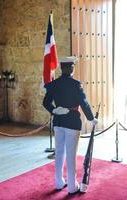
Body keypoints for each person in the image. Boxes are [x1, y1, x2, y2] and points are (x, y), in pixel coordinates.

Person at [43, 56, 98, 194]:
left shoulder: (53, 84)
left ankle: (58, 182)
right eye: (73, 66)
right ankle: (72, 187)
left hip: (58, 122)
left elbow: (46, 102)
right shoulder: (75, 84)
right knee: (71, 155)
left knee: (59, 153)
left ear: (61, 68)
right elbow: (84, 103)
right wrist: (92, 119)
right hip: (72, 123)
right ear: (71, 68)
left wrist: (54, 110)